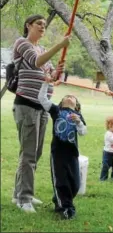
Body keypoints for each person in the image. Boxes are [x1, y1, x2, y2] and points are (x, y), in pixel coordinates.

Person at [12, 14, 70, 213]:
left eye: (45, 25)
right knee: (28, 154)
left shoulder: (43, 49)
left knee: (35, 153)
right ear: (28, 25)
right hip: (26, 105)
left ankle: (18, 194)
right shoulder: (22, 43)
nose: (42, 27)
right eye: (39, 24)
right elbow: (36, 62)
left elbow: (50, 76)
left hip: (42, 106)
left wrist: (57, 73)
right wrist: (60, 46)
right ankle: (24, 198)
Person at [38, 79, 87, 220]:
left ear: (76, 105)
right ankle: (65, 208)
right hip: (58, 153)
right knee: (61, 181)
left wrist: (78, 121)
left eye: (73, 97)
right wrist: (46, 82)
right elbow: (42, 99)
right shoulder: (56, 110)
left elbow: (83, 132)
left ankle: (58, 198)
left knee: (75, 184)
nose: (70, 97)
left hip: (72, 154)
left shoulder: (78, 116)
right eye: (67, 96)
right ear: (62, 101)